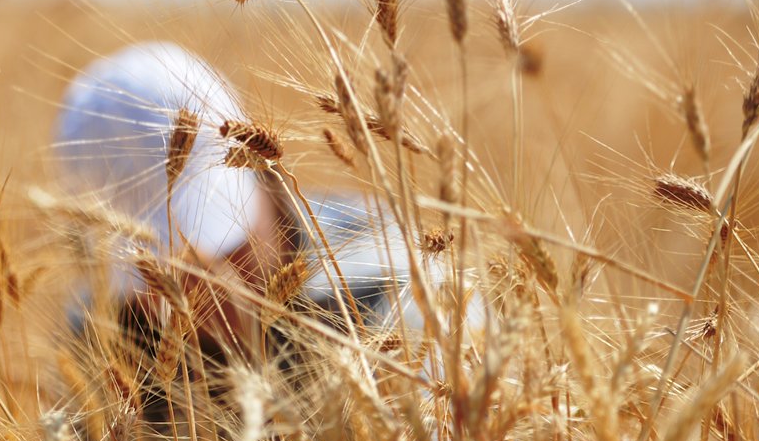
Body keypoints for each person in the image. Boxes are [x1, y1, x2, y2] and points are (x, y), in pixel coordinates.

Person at [53, 41, 463, 357]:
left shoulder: (403, 282)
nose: (192, 290)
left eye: (219, 246)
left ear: (253, 163)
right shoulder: (100, 330)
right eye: (149, 275)